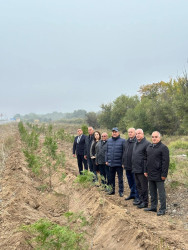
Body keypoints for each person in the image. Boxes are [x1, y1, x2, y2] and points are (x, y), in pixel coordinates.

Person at [144, 131, 169, 216]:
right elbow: (146, 160)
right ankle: (153, 207)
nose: (154, 138)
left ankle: (162, 209)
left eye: (156, 137)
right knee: (152, 191)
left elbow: (165, 162)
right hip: (150, 173)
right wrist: (145, 170)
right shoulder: (149, 147)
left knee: (161, 192)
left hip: (159, 174)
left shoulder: (163, 148)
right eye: (153, 137)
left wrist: (164, 174)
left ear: (159, 138)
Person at [132, 129, 150, 208]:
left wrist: (146, 170)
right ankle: (141, 200)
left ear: (143, 134)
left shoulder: (147, 144)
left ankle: (145, 202)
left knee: (144, 187)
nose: (137, 135)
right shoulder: (136, 143)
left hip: (142, 170)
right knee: (138, 186)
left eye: (139, 133)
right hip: (136, 168)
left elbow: (148, 158)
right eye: (136, 134)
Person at [106, 127, 125, 197]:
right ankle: (112, 190)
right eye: (113, 132)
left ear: (118, 133)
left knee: (120, 178)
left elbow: (124, 152)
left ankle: (121, 191)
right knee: (111, 178)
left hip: (119, 164)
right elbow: (107, 151)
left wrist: (123, 162)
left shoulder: (123, 141)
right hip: (111, 163)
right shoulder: (109, 141)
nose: (114, 133)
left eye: (115, 132)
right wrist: (106, 160)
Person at [122, 128, 139, 202]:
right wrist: (123, 162)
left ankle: (136, 196)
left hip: (134, 166)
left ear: (135, 133)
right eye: (129, 132)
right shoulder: (126, 142)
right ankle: (132, 194)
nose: (130, 133)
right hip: (127, 165)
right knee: (130, 181)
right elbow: (124, 153)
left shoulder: (137, 142)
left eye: (131, 132)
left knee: (135, 182)